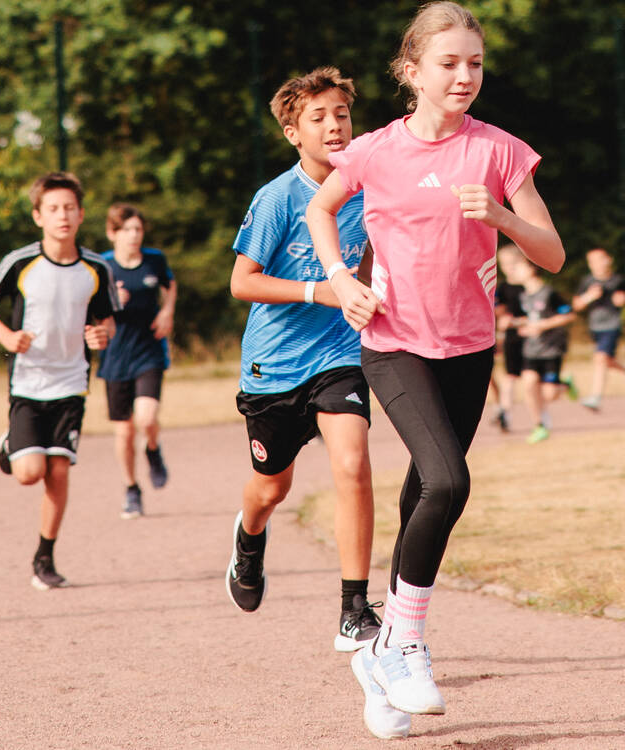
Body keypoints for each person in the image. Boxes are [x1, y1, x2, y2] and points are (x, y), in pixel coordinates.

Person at [305, 2, 565, 737]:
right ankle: (402, 641)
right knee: (450, 480)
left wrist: (506, 220)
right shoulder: (375, 151)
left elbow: (552, 253)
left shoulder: (500, 152)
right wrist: (339, 278)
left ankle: (378, 672)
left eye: (475, 64)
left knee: (428, 491)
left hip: (469, 349)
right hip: (393, 343)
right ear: (411, 71)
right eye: (448, 63)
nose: (464, 76)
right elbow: (322, 211)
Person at [224, 68, 387, 678]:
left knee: (352, 462)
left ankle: (352, 607)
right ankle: (248, 535)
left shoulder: (366, 192)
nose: (335, 125)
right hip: (274, 367)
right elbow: (242, 282)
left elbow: (369, 264)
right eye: (318, 118)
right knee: (271, 488)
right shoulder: (276, 198)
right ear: (294, 133)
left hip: (340, 357)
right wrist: (321, 290)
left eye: (342, 113)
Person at [0, 171, 119, 591]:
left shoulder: (96, 267)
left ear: (82, 213)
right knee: (28, 473)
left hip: (72, 384)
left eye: (70, 208)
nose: (62, 216)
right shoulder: (20, 262)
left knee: (58, 472)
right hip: (28, 384)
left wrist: (101, 334)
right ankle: (11, 446)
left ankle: (45, 556)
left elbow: (106, 321)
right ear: (38, 216)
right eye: (53, 209)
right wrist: (6, 337)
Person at [97, 203, 175, 519]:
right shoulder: (101, 266)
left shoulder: (155, 260)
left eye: (138, 229)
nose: (133, 235)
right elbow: (87, 311)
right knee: (124, 432)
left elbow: (170, 286)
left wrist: (168, 311)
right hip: (115, 358)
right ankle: (131, 488)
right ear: (112, 233)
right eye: (126, 229)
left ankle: (153, 450)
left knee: (146, 419)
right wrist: (112, 302)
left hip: (149, 351)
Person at [513, 253, 575, 443]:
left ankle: (564, 385)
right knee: (529, 384)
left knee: (550, 394)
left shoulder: (549, 293)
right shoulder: (522, 296)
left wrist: (542, 326)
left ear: (531, 269)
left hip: (551, 350)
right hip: (531, 350)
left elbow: (568, 315)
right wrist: (518, 324)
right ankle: (539, 425)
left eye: (518, 267)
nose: (514, 271)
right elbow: (529, 318)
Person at [571, 246, 625, 410]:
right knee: (606, 360)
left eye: (600, 259)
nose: (597, 264)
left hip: (612, 325)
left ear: (609, 260)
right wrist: (589, 297)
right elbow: (576, 305)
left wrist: (622, 300)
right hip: (595, 326)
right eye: (593, 261)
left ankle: (596, 397)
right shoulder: (587, 282)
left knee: (600, 359)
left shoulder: (618, 281)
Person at [489, 244, 527, 433]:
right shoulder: (502, 288)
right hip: (512, 338)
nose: (508, 267)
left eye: (513, 263)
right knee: (510, 377)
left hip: (534, 339)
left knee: (536, 381)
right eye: (504, 264)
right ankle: (505, 412)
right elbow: (498, 310)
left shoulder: (530, 286)